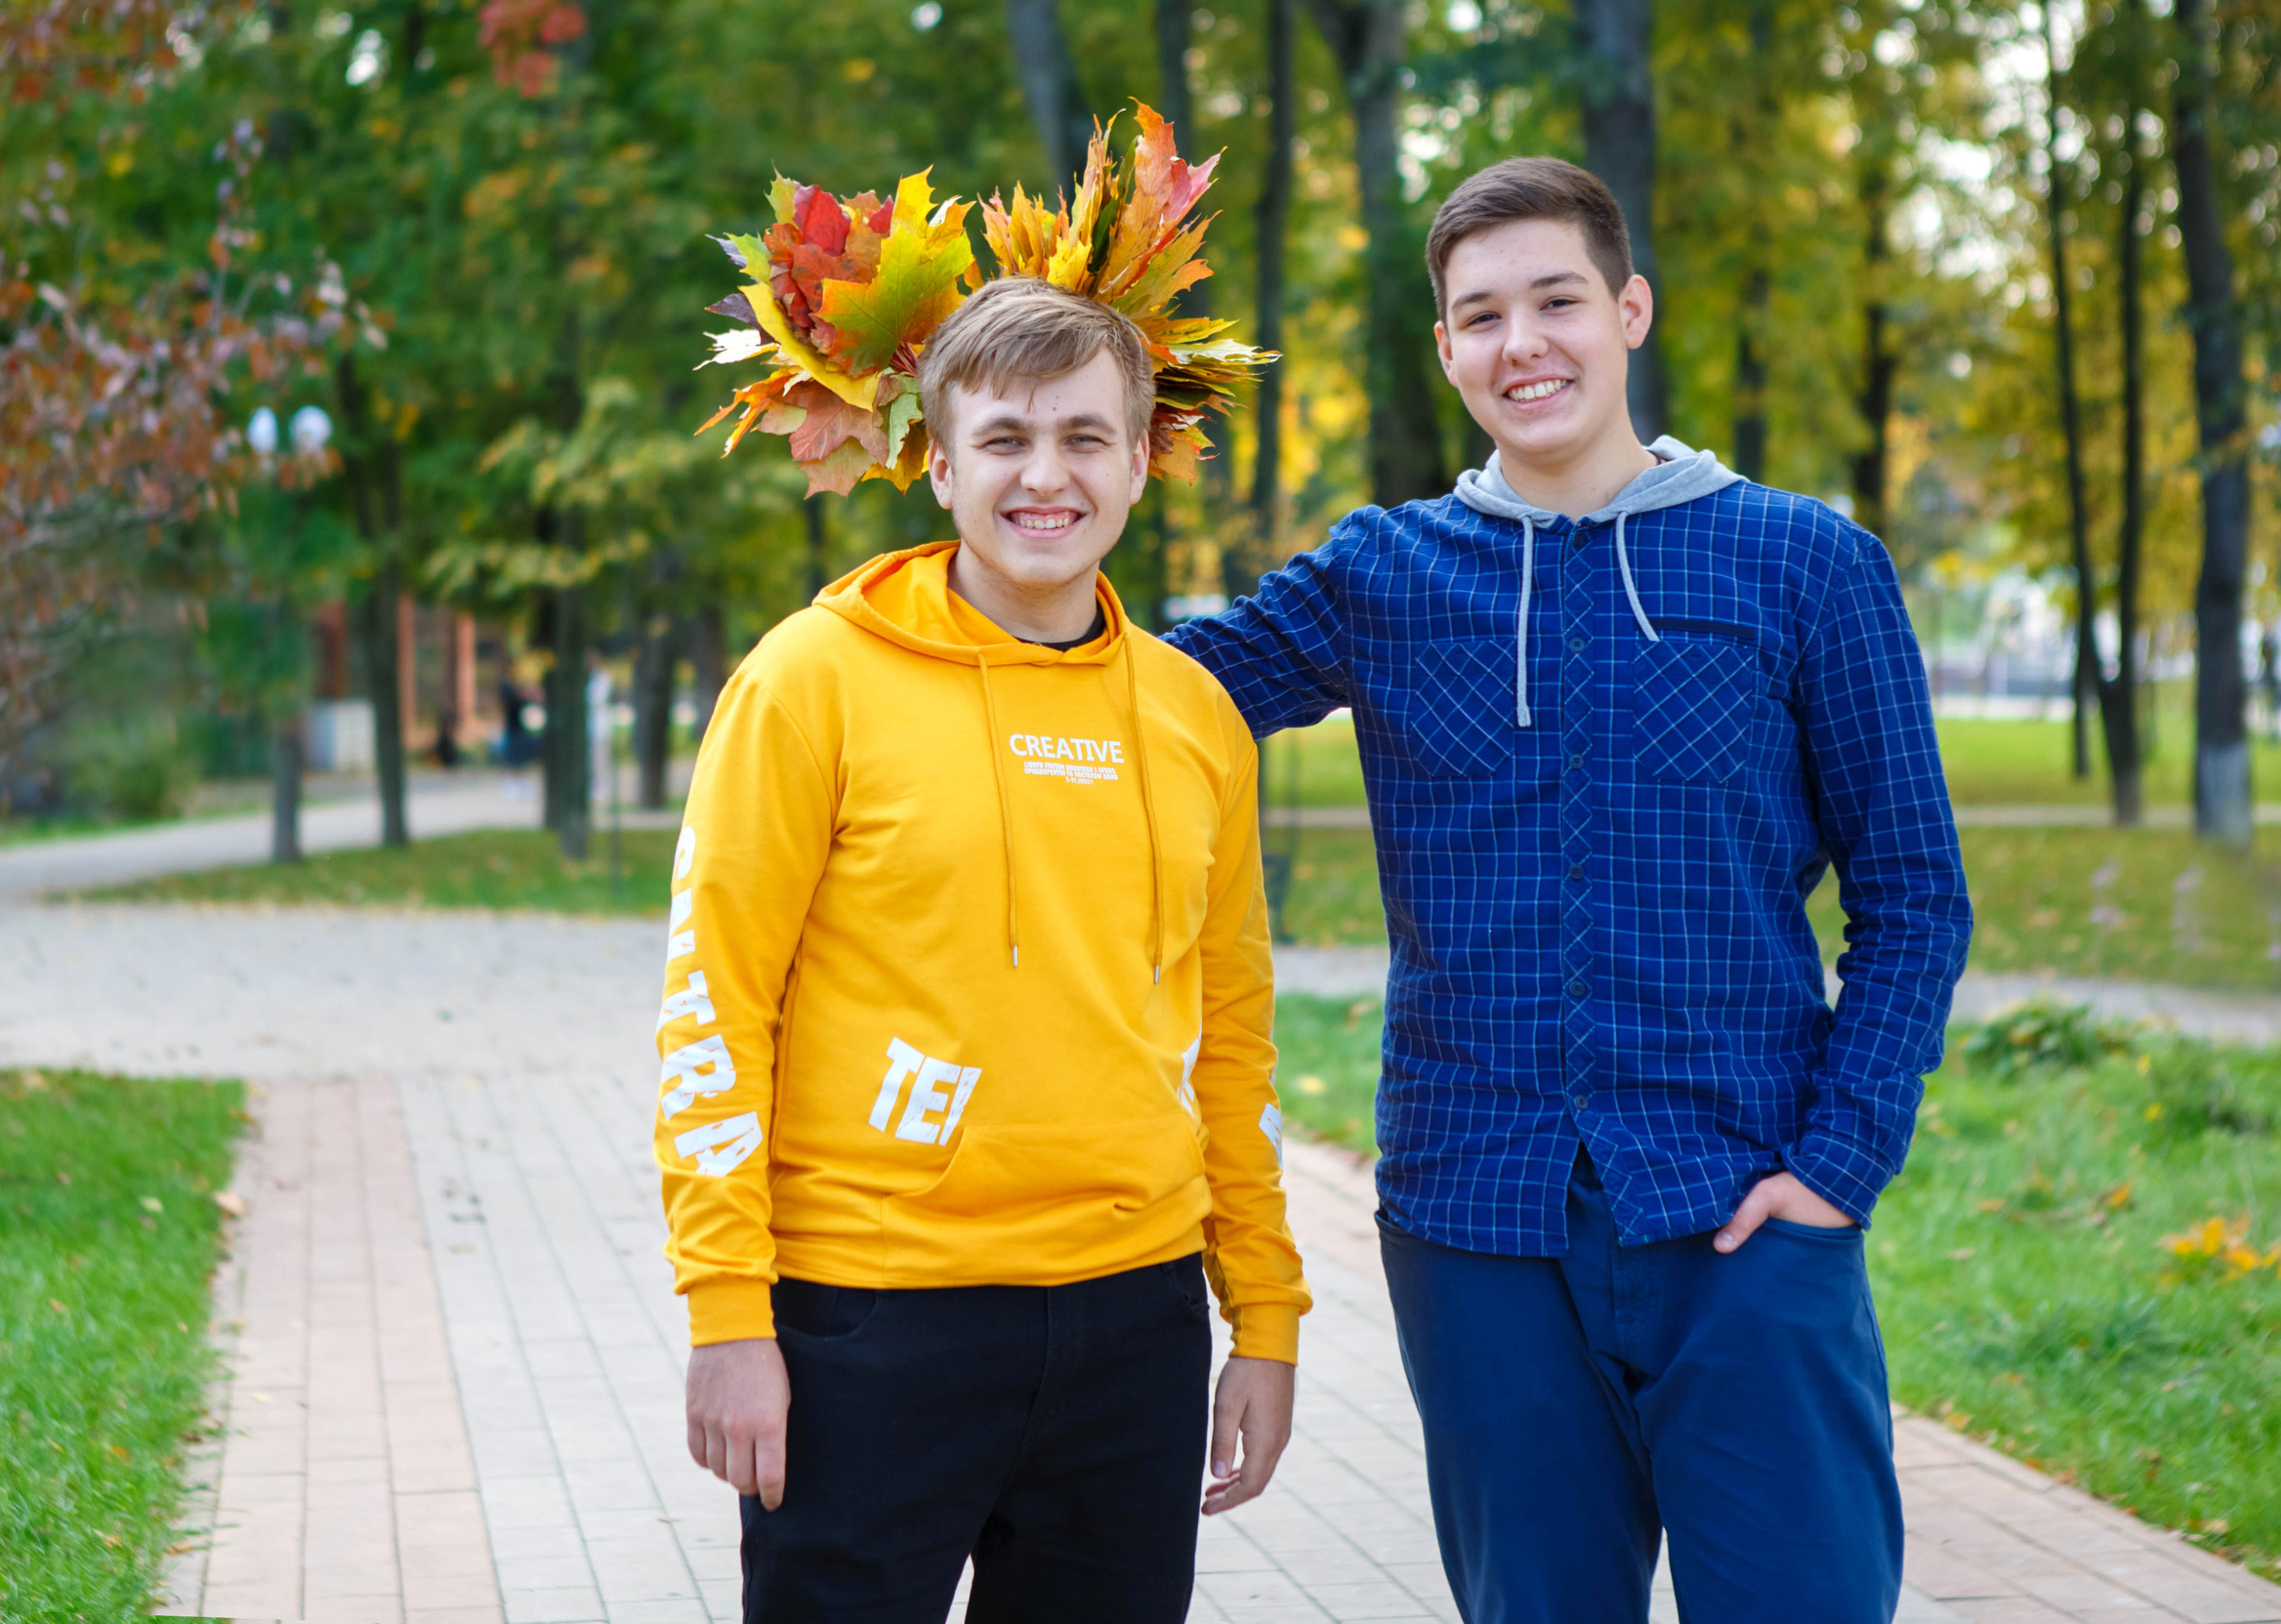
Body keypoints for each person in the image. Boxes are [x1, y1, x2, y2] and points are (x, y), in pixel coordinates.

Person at [1167, 156, 1972, 1624]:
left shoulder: (1806, 563)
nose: (1522, 342)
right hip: (1479, 1228)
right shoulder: (1382, 573)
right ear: (1446, 352)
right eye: (1482, 315)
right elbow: (1151, 695)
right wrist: (1019, 468)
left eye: (1557, 300)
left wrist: (1837, 1169)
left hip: (1747, 1211)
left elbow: (1916, 892)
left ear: (1630, 310)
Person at [659, 146, 1307, 1624]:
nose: (1047, 475)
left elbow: (1237, 1037)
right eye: (1005, 439)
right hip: (864, 1322)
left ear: (1143, 460)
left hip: (1134, 1327)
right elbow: (713, 1008)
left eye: (1087, 437)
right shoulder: (808, 684)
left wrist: (1259, 1313)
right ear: (939, 463)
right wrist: (726, 1314)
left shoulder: (1196, 718)